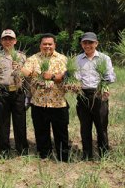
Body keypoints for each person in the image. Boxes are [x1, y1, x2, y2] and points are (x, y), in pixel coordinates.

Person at [20, 33, 69, 162]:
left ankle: (63, 157)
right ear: (40, 45)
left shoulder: (62, 59)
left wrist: (52, 76)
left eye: (50, 44)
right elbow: (26, 72)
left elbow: (65, 76)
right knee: (41, 132)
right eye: (44, 44)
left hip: (58, 103)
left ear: (54, 45)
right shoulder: (33, 59)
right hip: (38, 103)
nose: (47, 46)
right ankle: (44, 156)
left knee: (61, 132)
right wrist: (23, 69)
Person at [0, 29, 28, 156]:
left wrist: (20, 68)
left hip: (18, 91)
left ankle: (22, 149)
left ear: (15, 41)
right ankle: (4, 150)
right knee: (3, 121)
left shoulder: (22, 56)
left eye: (10, 39)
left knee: (20, 121)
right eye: (5, 39)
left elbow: (28, 74)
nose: (8, 41)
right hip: (2, 91)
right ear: (1, 41)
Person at [75, 32, 116, 160]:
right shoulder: (77, 59)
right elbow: (75, 77)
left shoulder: (104, 58)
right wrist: (74, 84)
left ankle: (104, 154)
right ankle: (87, 155)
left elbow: (111, 76)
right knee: (85, 127)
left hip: (99, 95)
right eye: (85, 42)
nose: (87, 45)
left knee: (101, 126)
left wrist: (105, 84)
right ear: (81, 44)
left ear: (96, 43)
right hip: (83, 95)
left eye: (90, 43)